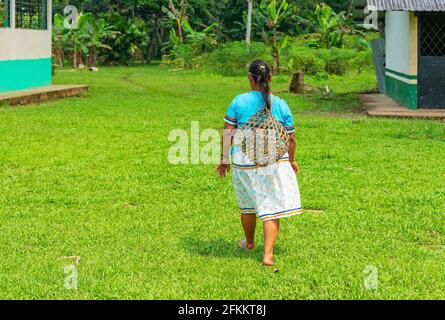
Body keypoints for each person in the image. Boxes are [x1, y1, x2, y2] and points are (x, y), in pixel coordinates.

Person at [217, 59, 302, 267]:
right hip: (273, 162)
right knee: (270, 208)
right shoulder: (280, 103)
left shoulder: (238, 101)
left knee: (247, 206)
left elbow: (228, 133)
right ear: (270, 78)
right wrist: (290, 161)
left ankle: (249, 243)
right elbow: (291, 139)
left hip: (244, 162)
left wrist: (224, 159)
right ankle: (268, 255)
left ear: (249, 79)